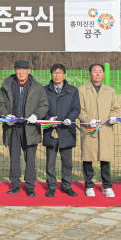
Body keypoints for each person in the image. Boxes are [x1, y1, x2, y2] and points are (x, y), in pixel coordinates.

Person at [0, 60, 49, 197]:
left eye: (24, 70)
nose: (21, 72)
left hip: (30, 128)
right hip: (13, 128)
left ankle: (30, 186)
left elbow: (44, 105)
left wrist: (36, 115)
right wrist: (6, 115)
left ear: (29, 71)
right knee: (14, 158)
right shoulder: (7, 85)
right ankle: (15, 185)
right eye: (18, 69)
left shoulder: (37, 87)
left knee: (30, 158)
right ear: (15, 70)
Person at [77, 63, 120, 197]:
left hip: (105, 129)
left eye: (100, 71)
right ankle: (89, 185)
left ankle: (107, 186)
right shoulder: (82, 90)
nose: (97, 74)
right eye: (94, 71)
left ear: (104, 74)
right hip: (89, 129)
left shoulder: (110, 90)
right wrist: (87, 119)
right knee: (88, 158)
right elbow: (79, 109)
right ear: (90, 74)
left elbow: (115, 108)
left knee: (105, 159)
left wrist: (114, 117)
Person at [43, 64, 80, 197]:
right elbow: (41, 107)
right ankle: (51, 186)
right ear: (51, 75)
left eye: (59, 73)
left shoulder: (72, 90)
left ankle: (66, 186)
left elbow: (76, 108)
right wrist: (48, 118)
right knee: (50, 161)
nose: (57, 75)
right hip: (51, 131)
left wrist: (70, 118)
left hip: (66, 130)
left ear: (64, 75)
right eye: (54, 73)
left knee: (67, 162)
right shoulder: (44, 90)